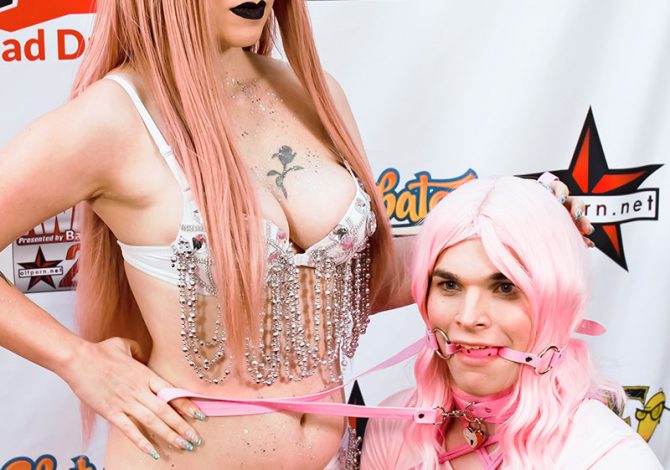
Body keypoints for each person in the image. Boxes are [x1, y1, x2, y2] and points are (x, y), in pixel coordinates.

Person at [0, 2, 590, 469]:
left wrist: (514, 231)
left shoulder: (314, 93)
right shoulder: (112, 119)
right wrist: (76, 360)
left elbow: (368, 280)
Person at [361, 177, 662, 469]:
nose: (469, 317)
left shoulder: (613, 458)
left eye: (505, 288)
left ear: (556, 303)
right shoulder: (391, 428)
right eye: (449, 285)